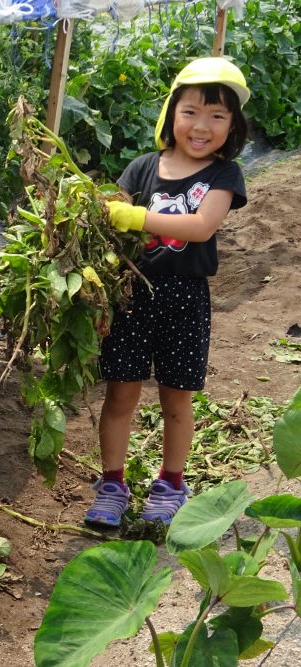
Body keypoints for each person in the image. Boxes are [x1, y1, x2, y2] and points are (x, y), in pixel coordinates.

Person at [84, 57, 249, 528]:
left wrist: (137, 217)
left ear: (232, 126)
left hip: (185, 300)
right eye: (191, 112)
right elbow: (110, 220)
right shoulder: (140, 169)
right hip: (133, 296)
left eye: (218, 116)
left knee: (176, 398)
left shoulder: (224, 176)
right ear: (170, 115)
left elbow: (200, 226)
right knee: (121, 394)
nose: (202, 126)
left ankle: (171, 483)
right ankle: (112, 484)